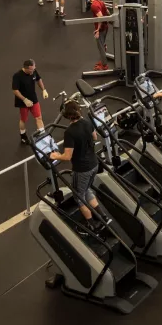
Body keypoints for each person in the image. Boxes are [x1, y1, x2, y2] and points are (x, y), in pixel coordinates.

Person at [46, 100, 108, 240]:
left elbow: (67, 156)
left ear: (66, 116)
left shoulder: (70, 132)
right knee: (87, 190)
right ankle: (102, 216)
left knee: (79, 196)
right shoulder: (87, 122)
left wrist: (55, 155)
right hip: (94, 164)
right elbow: (94, 137)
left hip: (82, 169)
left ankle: (93, 225)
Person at [13, 59, 49, 145]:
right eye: (31, 69)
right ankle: (23, 136)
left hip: (33, 98)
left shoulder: (33, 71)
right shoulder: (17, 76)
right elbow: (15, 90)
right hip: (22, 101)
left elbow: (38, 79)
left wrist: (44, 90)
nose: (33, 70)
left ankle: (42, 136)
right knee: (23, 119)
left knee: (38, 117)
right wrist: (24, 100)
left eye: (34, 68)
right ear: (26, 68)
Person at [89, 0, 110, 71]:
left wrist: (98, 30)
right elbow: (107, 12)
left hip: (101, 29)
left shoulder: (94, 5)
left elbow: (100, 17)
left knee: (100, 47)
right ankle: (102, 60)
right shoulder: (101, 2)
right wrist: (110, 20)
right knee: (103, 44)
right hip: (106, 27)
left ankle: (104, 65)